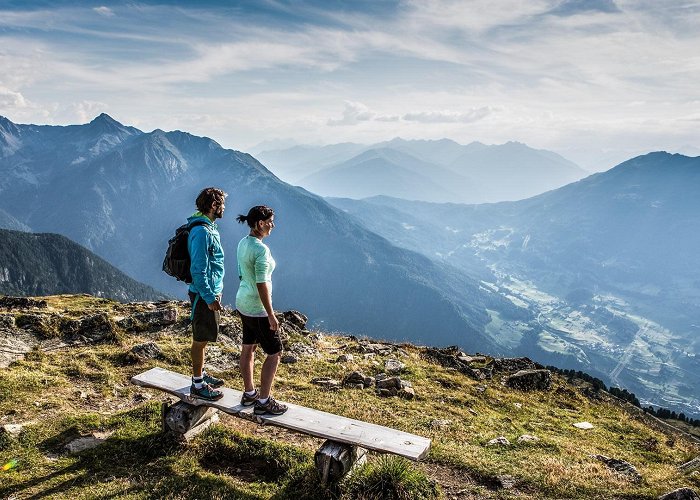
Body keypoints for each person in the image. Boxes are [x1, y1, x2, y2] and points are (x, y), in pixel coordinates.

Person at [236, 205, 288, 415]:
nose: (273, 225)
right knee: (275, 353)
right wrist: (271, 314)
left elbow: (243, 273)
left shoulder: (243, 243)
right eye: (270, 222)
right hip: (257, 309)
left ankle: (250, 394)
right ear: (260, 223)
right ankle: (264, 401)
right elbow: (262, 283)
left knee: (248, 347)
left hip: (243, 303)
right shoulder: (261, 250)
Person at [187, 187, 227, 401]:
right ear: (214, 205)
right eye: (222, 204)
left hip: (210, 292)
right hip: (203, 295)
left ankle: (200, 375)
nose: (224, 208)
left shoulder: (209, 227)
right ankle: (198, 384)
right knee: (200, 339)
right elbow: (198, 270)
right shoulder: (202, 232)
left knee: (204, 338)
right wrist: (210, 297)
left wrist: (217, 291)